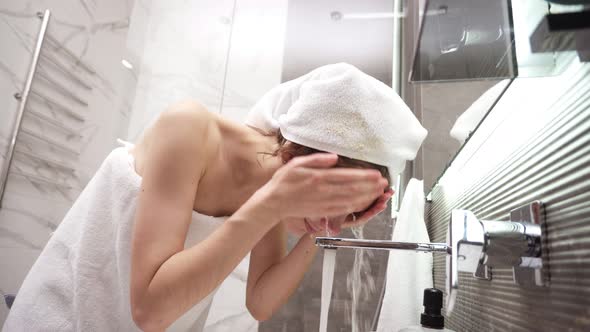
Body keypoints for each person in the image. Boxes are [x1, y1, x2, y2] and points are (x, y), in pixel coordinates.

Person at [4, 63, 426, 331]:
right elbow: (149, 309)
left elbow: (260, 302)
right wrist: (271, 205)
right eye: (333, 200)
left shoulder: (272, 189)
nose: (332, 217)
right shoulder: (188, 130)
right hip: (62, 319)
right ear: (309, 164)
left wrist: (320, 233)